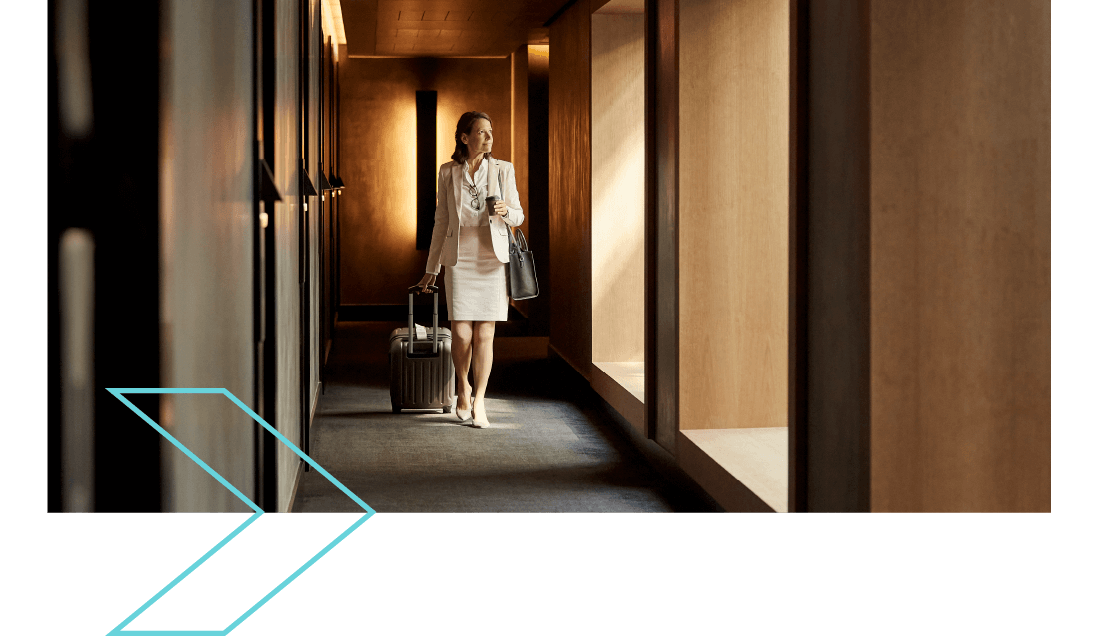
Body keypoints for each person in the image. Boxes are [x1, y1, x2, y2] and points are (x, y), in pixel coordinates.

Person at [416, 111, 524, 428]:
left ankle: (480, 401)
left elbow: (518, 215)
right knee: (461, 333)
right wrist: (431, 267)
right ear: (465, 137)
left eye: (491, 131)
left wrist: (507, 211)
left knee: (486, 332)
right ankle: (462, 385)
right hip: (460, 256)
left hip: (492, 256)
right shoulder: (448, 172)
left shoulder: (503, 170)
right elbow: (441, 222)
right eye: (482, 132)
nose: (489, 138)